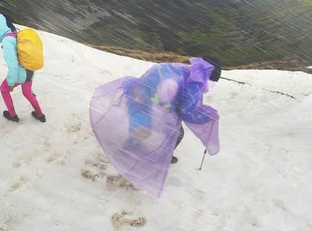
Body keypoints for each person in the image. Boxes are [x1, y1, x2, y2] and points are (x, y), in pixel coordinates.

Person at [89, 56, 221, 197]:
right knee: (170, 133)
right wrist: (208, 115)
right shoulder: (195, 83)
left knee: (144, 127)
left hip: (139, 94)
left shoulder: (182, 69)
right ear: (208, 77)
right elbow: (188, 110)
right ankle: (137, 153)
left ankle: (135, 147)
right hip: (147, 101)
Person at [0, 13, 45, 123]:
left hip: (21, 74)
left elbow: (13, 65)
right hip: (30, 70)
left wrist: (10, 83)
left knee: (3, 89)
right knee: (27, 92)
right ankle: (40, 115)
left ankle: (12, 115)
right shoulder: (16, 34)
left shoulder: (7, 41)